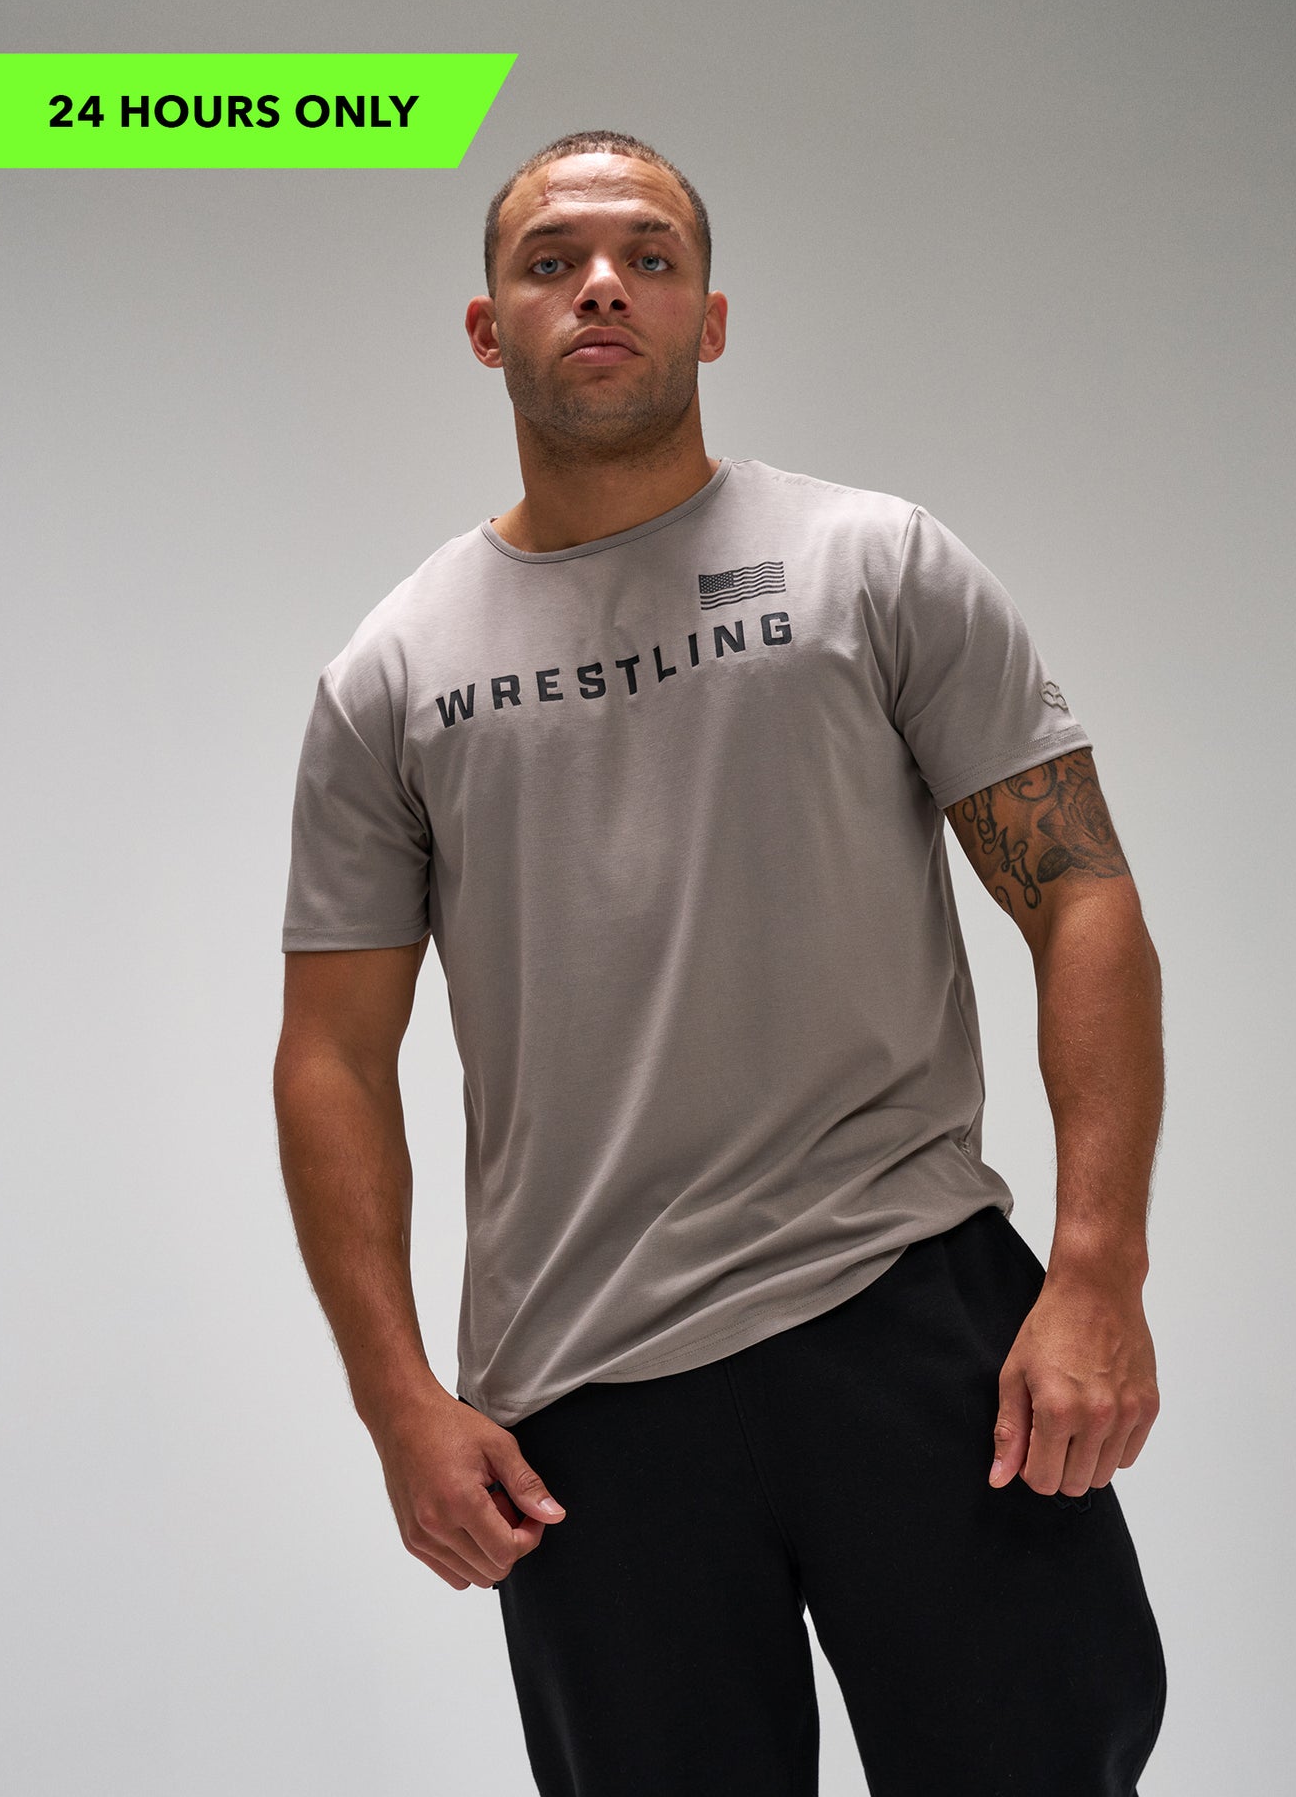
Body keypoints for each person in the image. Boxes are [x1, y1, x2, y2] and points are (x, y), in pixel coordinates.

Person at [273, 128, 1168, 1795]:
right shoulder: (389, 676)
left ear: (710, 316)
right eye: (549, 261)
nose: (600, 284)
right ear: (488, 327)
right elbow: (329, 1054)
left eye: (647, 256)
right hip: (584, 1392)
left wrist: (1095, 1270)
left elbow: (1080, 895)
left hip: (907, 1310)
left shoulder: (873, 568)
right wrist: (397, 1399)